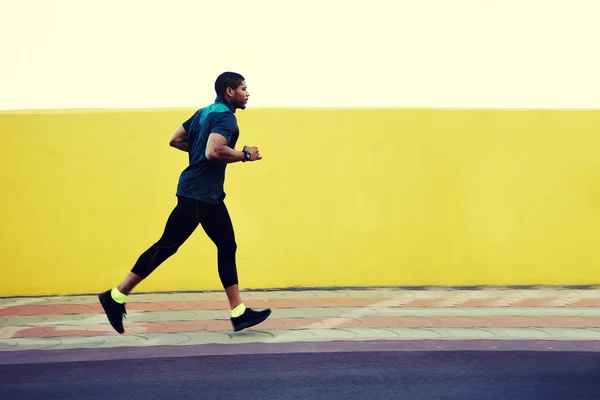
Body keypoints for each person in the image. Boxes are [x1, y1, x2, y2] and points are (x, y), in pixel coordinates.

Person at [98, 72, 271, 334]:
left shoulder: (203, 113)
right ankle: (116, 295)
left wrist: (200, 151)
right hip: (198, 195)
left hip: (207, 196)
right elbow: (214, 151)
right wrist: (244, 155)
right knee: (167, 246)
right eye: (244, 89)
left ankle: (239, 312)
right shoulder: (226, 117)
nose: (248, 94)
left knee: (226, 246)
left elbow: (176, 139)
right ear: (229, 92)